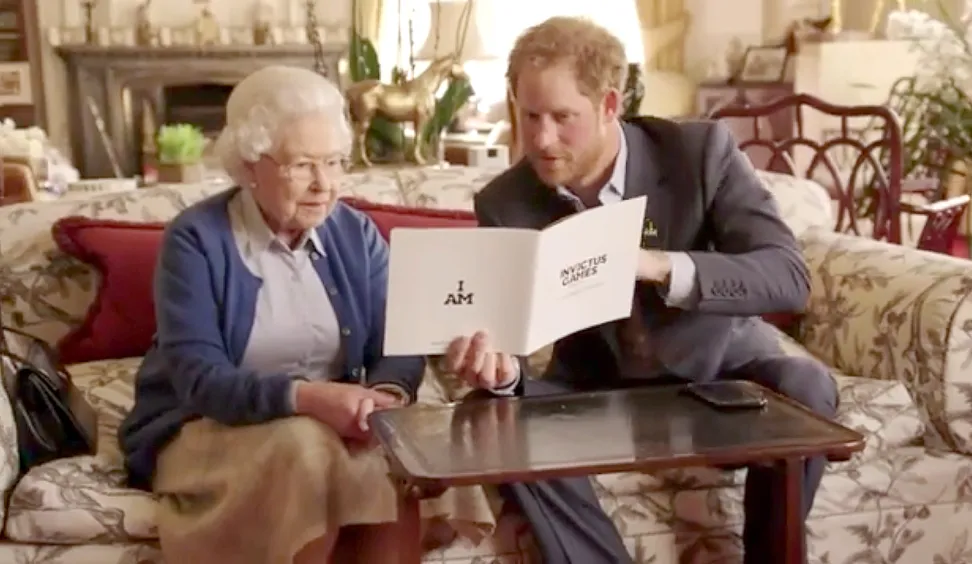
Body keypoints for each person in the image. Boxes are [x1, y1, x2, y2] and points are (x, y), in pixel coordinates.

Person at [444, 16, 839, 564]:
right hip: (594, 390)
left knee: (808, 385)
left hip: (717, 371)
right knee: (488, 416)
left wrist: (657, 265)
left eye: (563, 118)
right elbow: (505, 339)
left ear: (609, 105)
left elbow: (787, 277)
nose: (540, 138)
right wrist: (500, 368)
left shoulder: (699, 154)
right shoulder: (504, 201)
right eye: (528, 115)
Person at [119, 65, 494, 564]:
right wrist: (309, 399)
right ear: (250, 165)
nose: (325, 185)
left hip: (332, 425)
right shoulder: (196, 240)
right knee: (308, 446)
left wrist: (380, 400)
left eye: (336, 162)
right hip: (209, 424)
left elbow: (396, 339)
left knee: (387, 448)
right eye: (301, 165)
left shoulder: (355, 234)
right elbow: (199, 378)